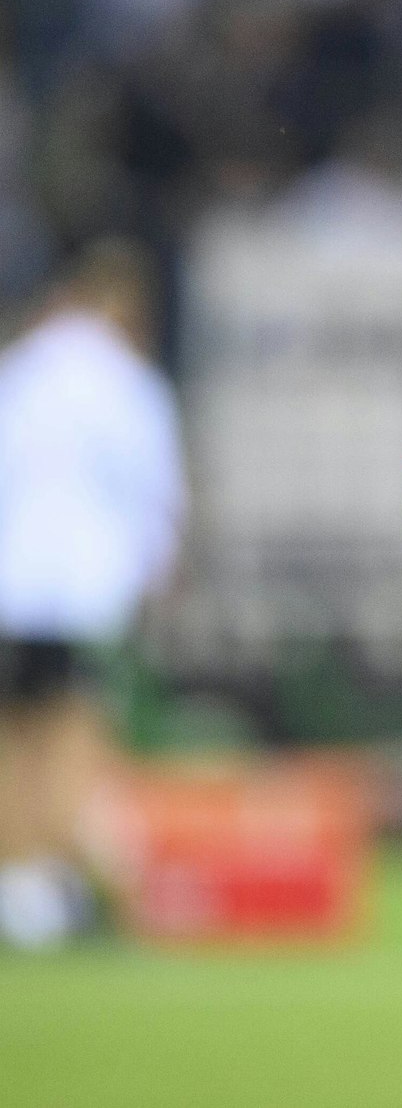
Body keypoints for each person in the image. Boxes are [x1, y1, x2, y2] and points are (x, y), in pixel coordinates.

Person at [0, 240, 185, 950]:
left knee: (18, 732)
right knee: (78, 729)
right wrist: (157, 572)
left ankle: (23, 879)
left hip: (15, 581)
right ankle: (69, 874)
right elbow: (154, 488)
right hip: (86, 585)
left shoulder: (22, 370)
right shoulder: (125, 382)